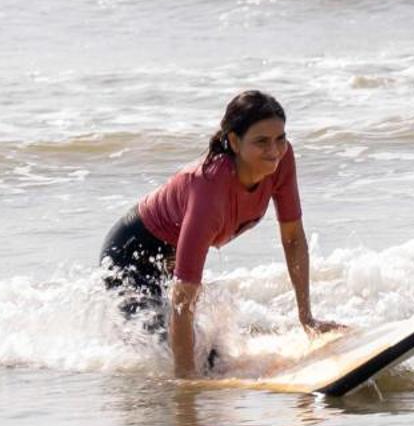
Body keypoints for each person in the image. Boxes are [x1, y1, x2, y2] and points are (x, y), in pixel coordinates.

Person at [100, 90, 337, 376]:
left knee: (211, 357)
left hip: (171, 253)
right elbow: (183, 298)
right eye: (261, 141)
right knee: (182, 357)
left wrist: (307, 318)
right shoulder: (208, 190)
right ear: (235, 142)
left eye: (280, 138)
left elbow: (293, 238)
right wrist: (187, 385)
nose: (274, 151)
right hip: (130, 254)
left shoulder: (282, 161)